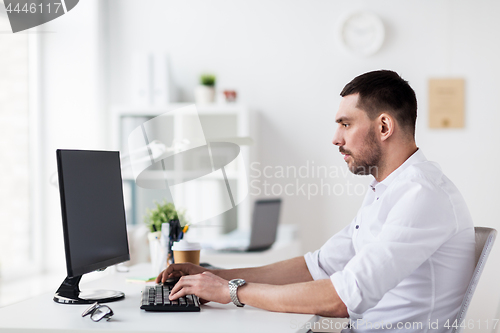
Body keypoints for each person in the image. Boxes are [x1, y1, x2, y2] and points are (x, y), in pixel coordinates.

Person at [156, 70, 475, 332]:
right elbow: (318, 266)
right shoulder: (388, 189)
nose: (335, 138)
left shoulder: (421, 196)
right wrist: (214, 276)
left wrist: (231, 292)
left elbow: (342, 299)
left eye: (346, 124)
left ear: (383, 126)